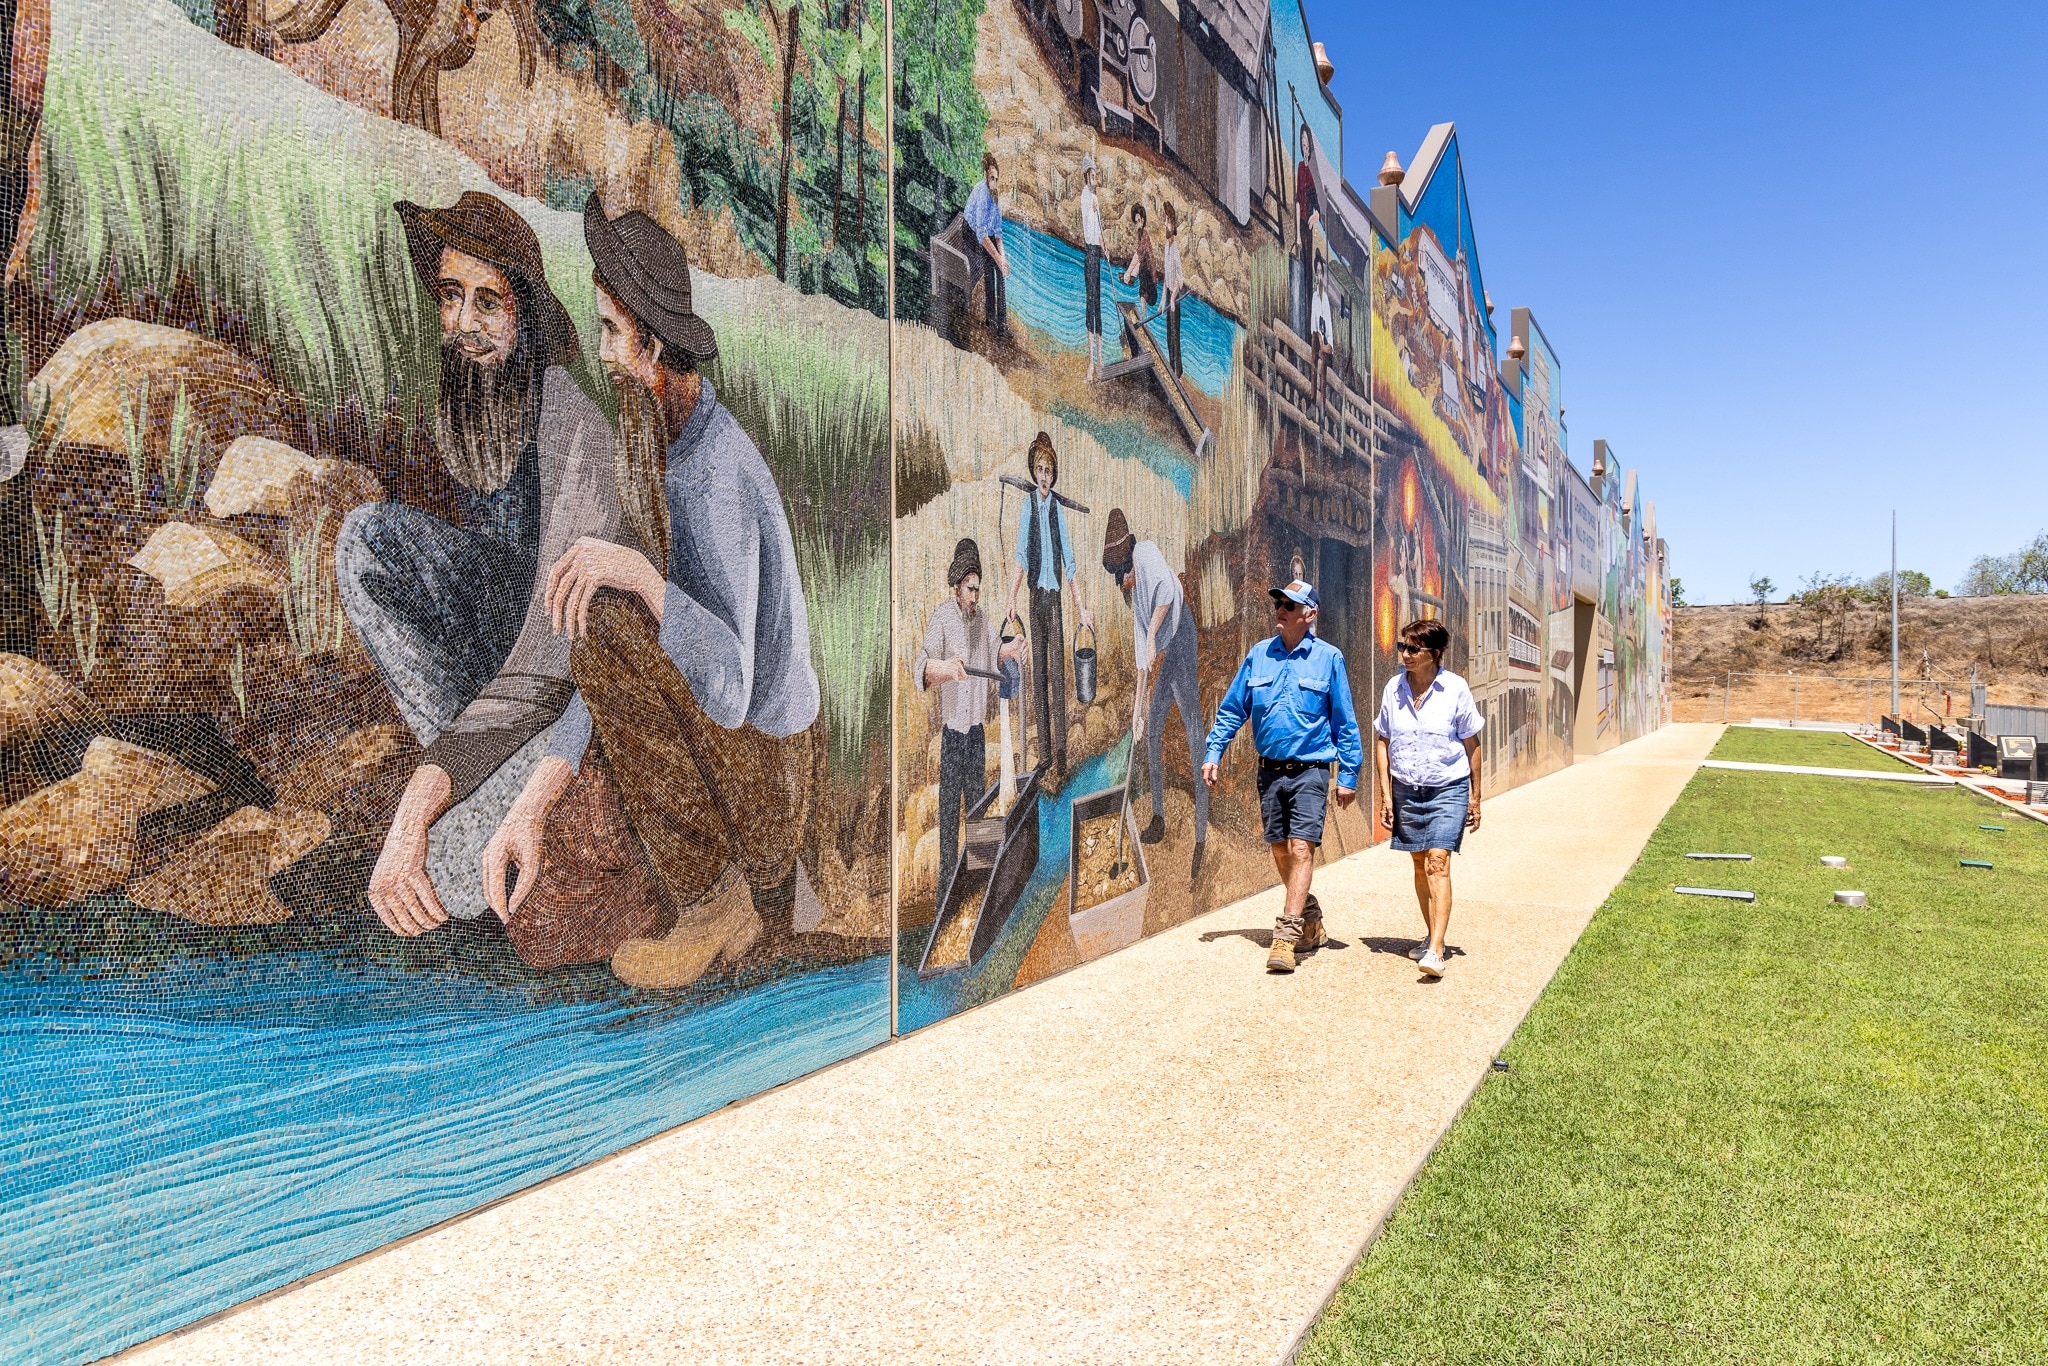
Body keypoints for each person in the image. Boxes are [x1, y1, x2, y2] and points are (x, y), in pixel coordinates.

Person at [481, 193, 827, 988]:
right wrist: (535, 801)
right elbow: (625, 659)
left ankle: (715, 902)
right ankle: (708, 897)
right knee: (601, 620)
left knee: (605, 614)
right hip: (739, 760)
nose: (601, 355)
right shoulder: (664, 448)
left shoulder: (712, 472)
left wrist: (637, 575)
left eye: (610, 332)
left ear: (654, 346)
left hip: (770, 779)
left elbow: (732, 690)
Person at [339, 190, 620, 940]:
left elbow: (547, 663)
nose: (462, 323)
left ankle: (475, 796)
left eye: (487, 302)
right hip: (497, 687)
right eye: (451, 297)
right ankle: (462, 780)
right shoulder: (463, 398)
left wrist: (413, 813)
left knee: (456, 878)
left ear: (525, 315)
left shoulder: (574, 429)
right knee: (366, 540)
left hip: (571, 697)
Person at [1202, 580, 1362, 973]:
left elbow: (1345, 722)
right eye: (1279, 603)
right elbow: (1232, 709)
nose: (1282, 609)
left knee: (1302, 848)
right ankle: (1309, 916)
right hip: (1270, 772)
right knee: (1279, 849)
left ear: (1310, 615)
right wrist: (1214, 751)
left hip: (1311, 770)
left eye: (1291, 605)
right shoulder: (1259, 656)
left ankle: (1286, 938)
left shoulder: (1329, 659)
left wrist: (1349, 774)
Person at [1373, 618, 1484, 979]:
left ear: (1434, 654)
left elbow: (1471, 742)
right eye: (1403, 647)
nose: (1404, 654)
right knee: (1420, 864)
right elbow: (1382, 741)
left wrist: (1475, 798)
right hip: (1407, 787)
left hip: (1448, 787)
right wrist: (1386, 795)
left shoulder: (1455, 689)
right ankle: (1431, 935)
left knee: (1438, 862)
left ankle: (1436, 949)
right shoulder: (1394, 689)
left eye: (1412, 648)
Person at [1103, 509, 1207, 874]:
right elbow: (1142, 667)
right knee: (1150, 735)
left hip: (1182, 636)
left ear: (1128, 560)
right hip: (1165, 653)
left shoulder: (1145, 552)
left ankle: (1199, 835)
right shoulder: (1134, 606)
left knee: (1195, 732)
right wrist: (1138, 714)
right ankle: (1159, 818)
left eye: (1123, 575)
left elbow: (1166, 593)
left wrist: (1151, 636)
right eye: (1119, 579)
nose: (1125, 583)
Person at [914, 538, 1020, 893]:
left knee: (980, 813)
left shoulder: (984, 620)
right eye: (970, 589)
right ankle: (946, 898)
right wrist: (945, 668)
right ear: (957, 586)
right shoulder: (942, 618)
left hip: (975, 736)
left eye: (978, 589)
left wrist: (1012, 649)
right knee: (948, 823)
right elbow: (921, 668)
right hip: (952, 739)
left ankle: (981, 891)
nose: (975, 596)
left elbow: (995, 654)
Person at [1004, 432, 1092, 787]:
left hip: (1054, 600)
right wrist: (1011, 598)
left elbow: (1069, 561)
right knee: (1037, 676)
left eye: (1049, 470)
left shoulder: (1056, 508)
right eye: (1039, 469)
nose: (1044, 476)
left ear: (1054, 474)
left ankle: (1061, 759)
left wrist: (1081, 608)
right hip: (1033, 598)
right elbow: (1022, 556)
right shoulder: (1028, 505)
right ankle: (1044, 757)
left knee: (1057, 674)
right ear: (1033, 470)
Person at [963, 151, 1009, 338]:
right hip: (971, 233)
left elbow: (997, 233)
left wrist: (1003, 259)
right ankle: (991, 320)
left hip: (984, 234)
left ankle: (1002, 324)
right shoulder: (982, 194)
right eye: (991, 178)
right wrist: (997, 258)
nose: (994, 183)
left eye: (996, 179)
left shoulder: (996, 195)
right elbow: (981, 234)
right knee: (990, 265)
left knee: (1000, 271)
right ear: (986, 176)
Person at [1294, 125, 1321, 336]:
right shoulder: (1300, 169)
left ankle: (1307, 326)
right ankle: (1301, 322)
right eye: (1302, 142)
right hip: (1301, 226)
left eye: (1307, 143)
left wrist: (1316, 215)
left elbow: (1316, 203)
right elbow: (1296, 202)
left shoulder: (1309, 172)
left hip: (1308, 227)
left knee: (1308, 273)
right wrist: (1296, 236)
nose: (1305, 146)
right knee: (1301, 271)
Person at [1080, 154, 1104, 382]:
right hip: (1090, 254)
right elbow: (1088, 230)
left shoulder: (1095, 197)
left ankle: (1100, 357)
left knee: (1098, 304)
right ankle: (1090, 360)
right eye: (1093, 176)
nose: (1095, 179)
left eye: (1097, 176)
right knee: (1090, 304)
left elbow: (1099, 230)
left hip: (1098, 253)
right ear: (1087, 176)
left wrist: (1105, 246)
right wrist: (1092, 208)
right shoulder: (1086, 197)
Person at [1160, 202, 1184, 378]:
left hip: (1175, 295)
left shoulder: (1175, 248)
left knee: (1175, 337)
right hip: (1168, 293)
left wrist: (1172, 298)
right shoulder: (1166, 247)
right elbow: (1166, 277)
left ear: (1173, 225)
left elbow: (1179, 278)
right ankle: (1171, 367)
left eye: (1168, 221)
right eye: (1165, 220)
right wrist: (1163, 300)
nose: (1165, 224)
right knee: (1169, 335)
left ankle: (1178, 372)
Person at [1122, 201, 1157, 312]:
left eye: (1139, 220)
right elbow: (1140, 257)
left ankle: (1144, 315)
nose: (1138, 223)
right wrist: (1131, 274)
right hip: (1145, 270)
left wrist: (1128, 273)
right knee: (1142, 294)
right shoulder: (1141, 233)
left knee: (1144, 295)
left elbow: (1139, 256)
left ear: (1143, 219)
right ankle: (1144, 314)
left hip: (1149, 274)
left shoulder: (1144, 234)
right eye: (1136, 221)